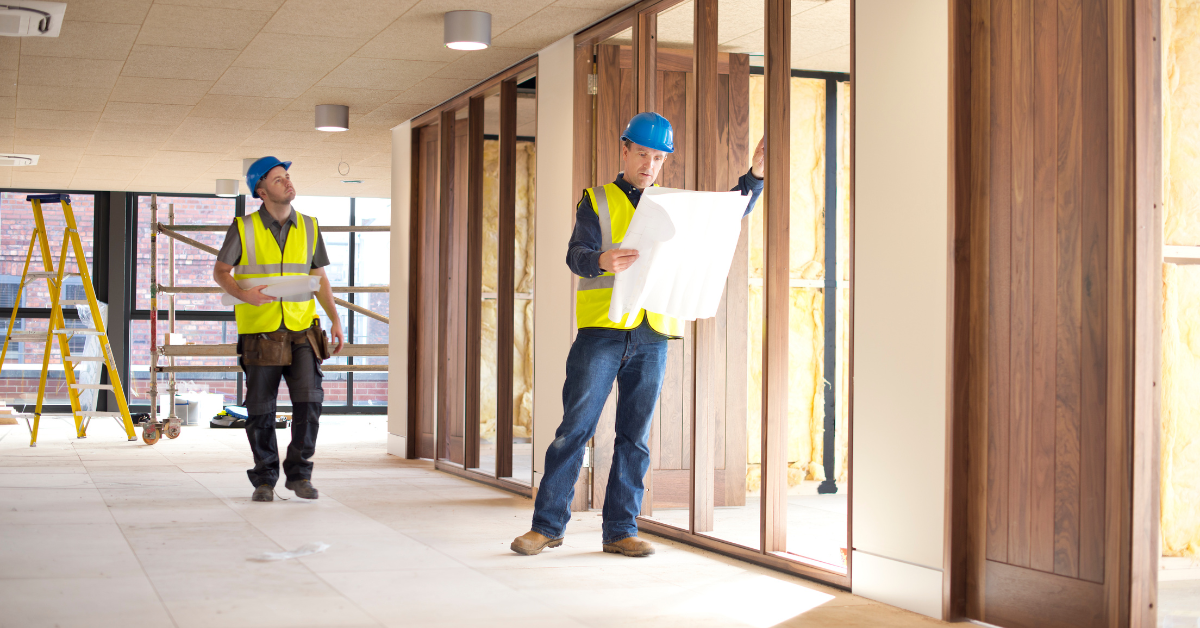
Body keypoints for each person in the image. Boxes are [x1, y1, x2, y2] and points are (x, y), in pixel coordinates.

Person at [511, 112, 766, 557]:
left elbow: (724, 213)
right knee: (574, 430)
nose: (650, 164)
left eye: (658, 157)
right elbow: (576, 254)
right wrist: (600, 260)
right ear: (625, 149)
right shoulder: (598, 199)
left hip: (653, 336)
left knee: (635, 436)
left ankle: (620, 530)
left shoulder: (673, 202)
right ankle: (547, 526)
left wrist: (755, 175)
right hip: (602, 333)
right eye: (643, 154)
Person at [212, 156, 345, 502]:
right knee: (260, 408)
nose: (287, 182)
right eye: (277, 179)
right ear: (261, 190)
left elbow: (320, 279)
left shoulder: (311, 226)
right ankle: (265, 478)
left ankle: (299, 475)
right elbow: (221, 271)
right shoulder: (243, 228)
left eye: (287, 176)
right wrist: (243, 295)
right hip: (261, 331)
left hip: (303, 328)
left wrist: (336, 318)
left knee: (309, 402)